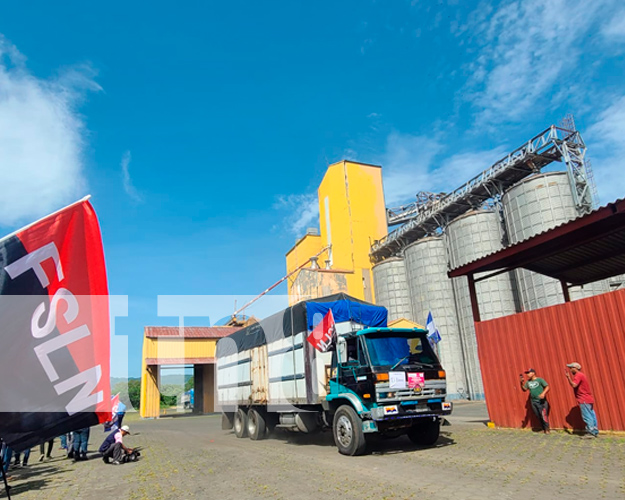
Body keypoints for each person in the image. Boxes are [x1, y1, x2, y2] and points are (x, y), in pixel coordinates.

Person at [565, 362, 599, 438]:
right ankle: (594, 431)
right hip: (588, 398)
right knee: (591, 414)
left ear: (576, 368)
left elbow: (574, 385)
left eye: (571, 368)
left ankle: (590, 432)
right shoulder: (582, 375)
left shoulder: (578, 375)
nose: (570, 370)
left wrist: (568, 378)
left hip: (583, 399)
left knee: (586, 416)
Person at [520, 368, 550, 434]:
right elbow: (524, 389)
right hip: (533, 401)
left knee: (543, 415)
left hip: (541, 401)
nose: (527, 374)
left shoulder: (539, 380)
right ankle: (542, 428)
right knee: (538, 415)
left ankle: (547, 429)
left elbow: (547, 387)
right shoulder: (528, 382)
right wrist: (521, 382)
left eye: (529, 373)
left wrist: (543, 393)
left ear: (533, 373)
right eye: (527, 373)